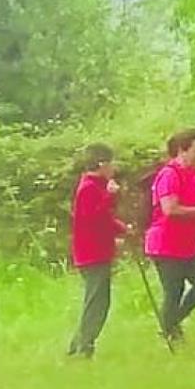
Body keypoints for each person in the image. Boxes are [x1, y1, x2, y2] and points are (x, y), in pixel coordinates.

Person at [145, 128, 195, 344]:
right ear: (181, 150)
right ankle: (170, 331)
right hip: (165, 244)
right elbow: (170, 209)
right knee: (173, 291)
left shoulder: (194, 174)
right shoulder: (169, 175)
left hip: (188, 243)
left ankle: (170, 323)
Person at [68, 143, 128, 358]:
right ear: (102, 164)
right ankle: (84, 347)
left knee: (97, 300)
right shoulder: (89, 188)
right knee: (97, 302)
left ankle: (78, 346)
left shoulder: (95, 186)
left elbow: (103, 218)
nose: (114, 168)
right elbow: (92, 219)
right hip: (92, 254)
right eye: (111, 163)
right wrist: (110, 196)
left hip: (97, 251)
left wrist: (121, 229)